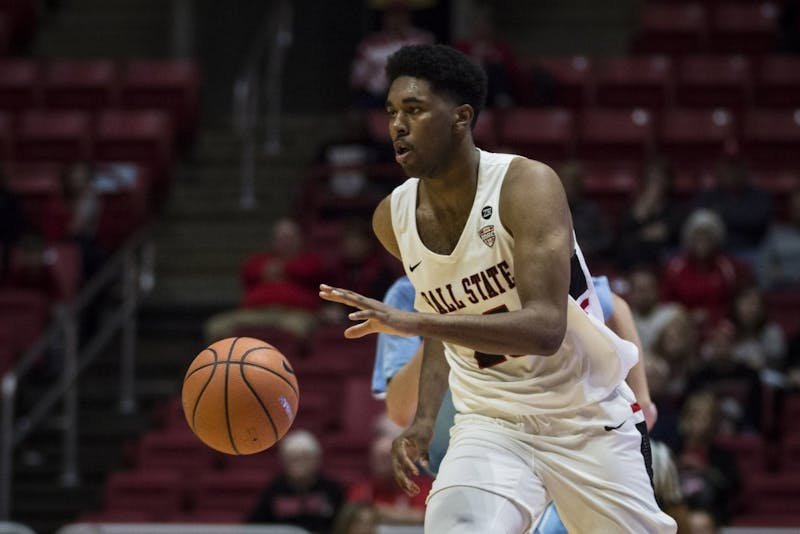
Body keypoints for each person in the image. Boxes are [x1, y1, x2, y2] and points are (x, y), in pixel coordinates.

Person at [320, 44, 675, 533]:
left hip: (586, 418)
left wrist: (414, 320)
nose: (397, 125)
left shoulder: (525, 185)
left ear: (461, 117)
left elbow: (545, 328)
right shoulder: (392, 219)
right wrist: (424, 421)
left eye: (415, 110)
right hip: (491, 423)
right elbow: (442, 324)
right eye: (392, 112)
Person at [204, 218, 327, 342]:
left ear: (300, 239)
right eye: (281, 238)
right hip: (256, 313)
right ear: (273, 240)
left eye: (289, 237)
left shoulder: (310, 260)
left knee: (300, 329)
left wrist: (284, 269)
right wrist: (267, 271)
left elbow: (311, 271)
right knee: (216, 327)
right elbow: (247, 270)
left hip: (294, 314)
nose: (286, 242)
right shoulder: (260, 260)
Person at [661, 209, 747, 331]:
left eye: (707, 235)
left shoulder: (727, 268)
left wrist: (712, 316)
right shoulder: (675, 268)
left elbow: (733, 303)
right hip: (681, 326)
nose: (702, 240)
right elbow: (667, 303)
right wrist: (686, 316)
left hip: (718, 327)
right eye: (698, 234)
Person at [247, 429, 345, 533]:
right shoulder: (274, 490)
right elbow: (254, 526)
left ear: (317, 460)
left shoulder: (333, 489)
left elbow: (345, 524)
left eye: (304, 458)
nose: (299, 464)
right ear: (283, 461)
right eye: (293, 459)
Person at [349, 1, 434, 109]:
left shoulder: (422, 40)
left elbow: (430, 73)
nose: (397, 19)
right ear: (385, 17)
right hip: (377, 99)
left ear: (408, 16)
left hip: (412, 96)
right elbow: (357, 79)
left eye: (401, 14)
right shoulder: (370, 44)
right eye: (393, 14)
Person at [347, 421, 432, 525]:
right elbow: (355, 518)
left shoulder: (426, 489)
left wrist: (378, 512)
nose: (380, 467)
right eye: (376, 459)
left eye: (386, 459)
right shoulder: (361, 490)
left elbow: (432, 519)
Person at [616, 157, 684, 269]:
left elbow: (667, 233)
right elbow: (624, 234)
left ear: (668, 181)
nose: (656, 183)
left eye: (660, 178)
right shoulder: (632, 207)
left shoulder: (676, 209)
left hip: (662, 260)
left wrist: (640, 234)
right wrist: (645, 206)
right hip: (636, 263)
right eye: (652, 178)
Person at [756, 188, 800, 290]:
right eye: (797, 208)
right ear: (790, 209)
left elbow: (776, 274)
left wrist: (784, 274)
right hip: (782, 292)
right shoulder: (776, 234)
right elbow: (763, 269)